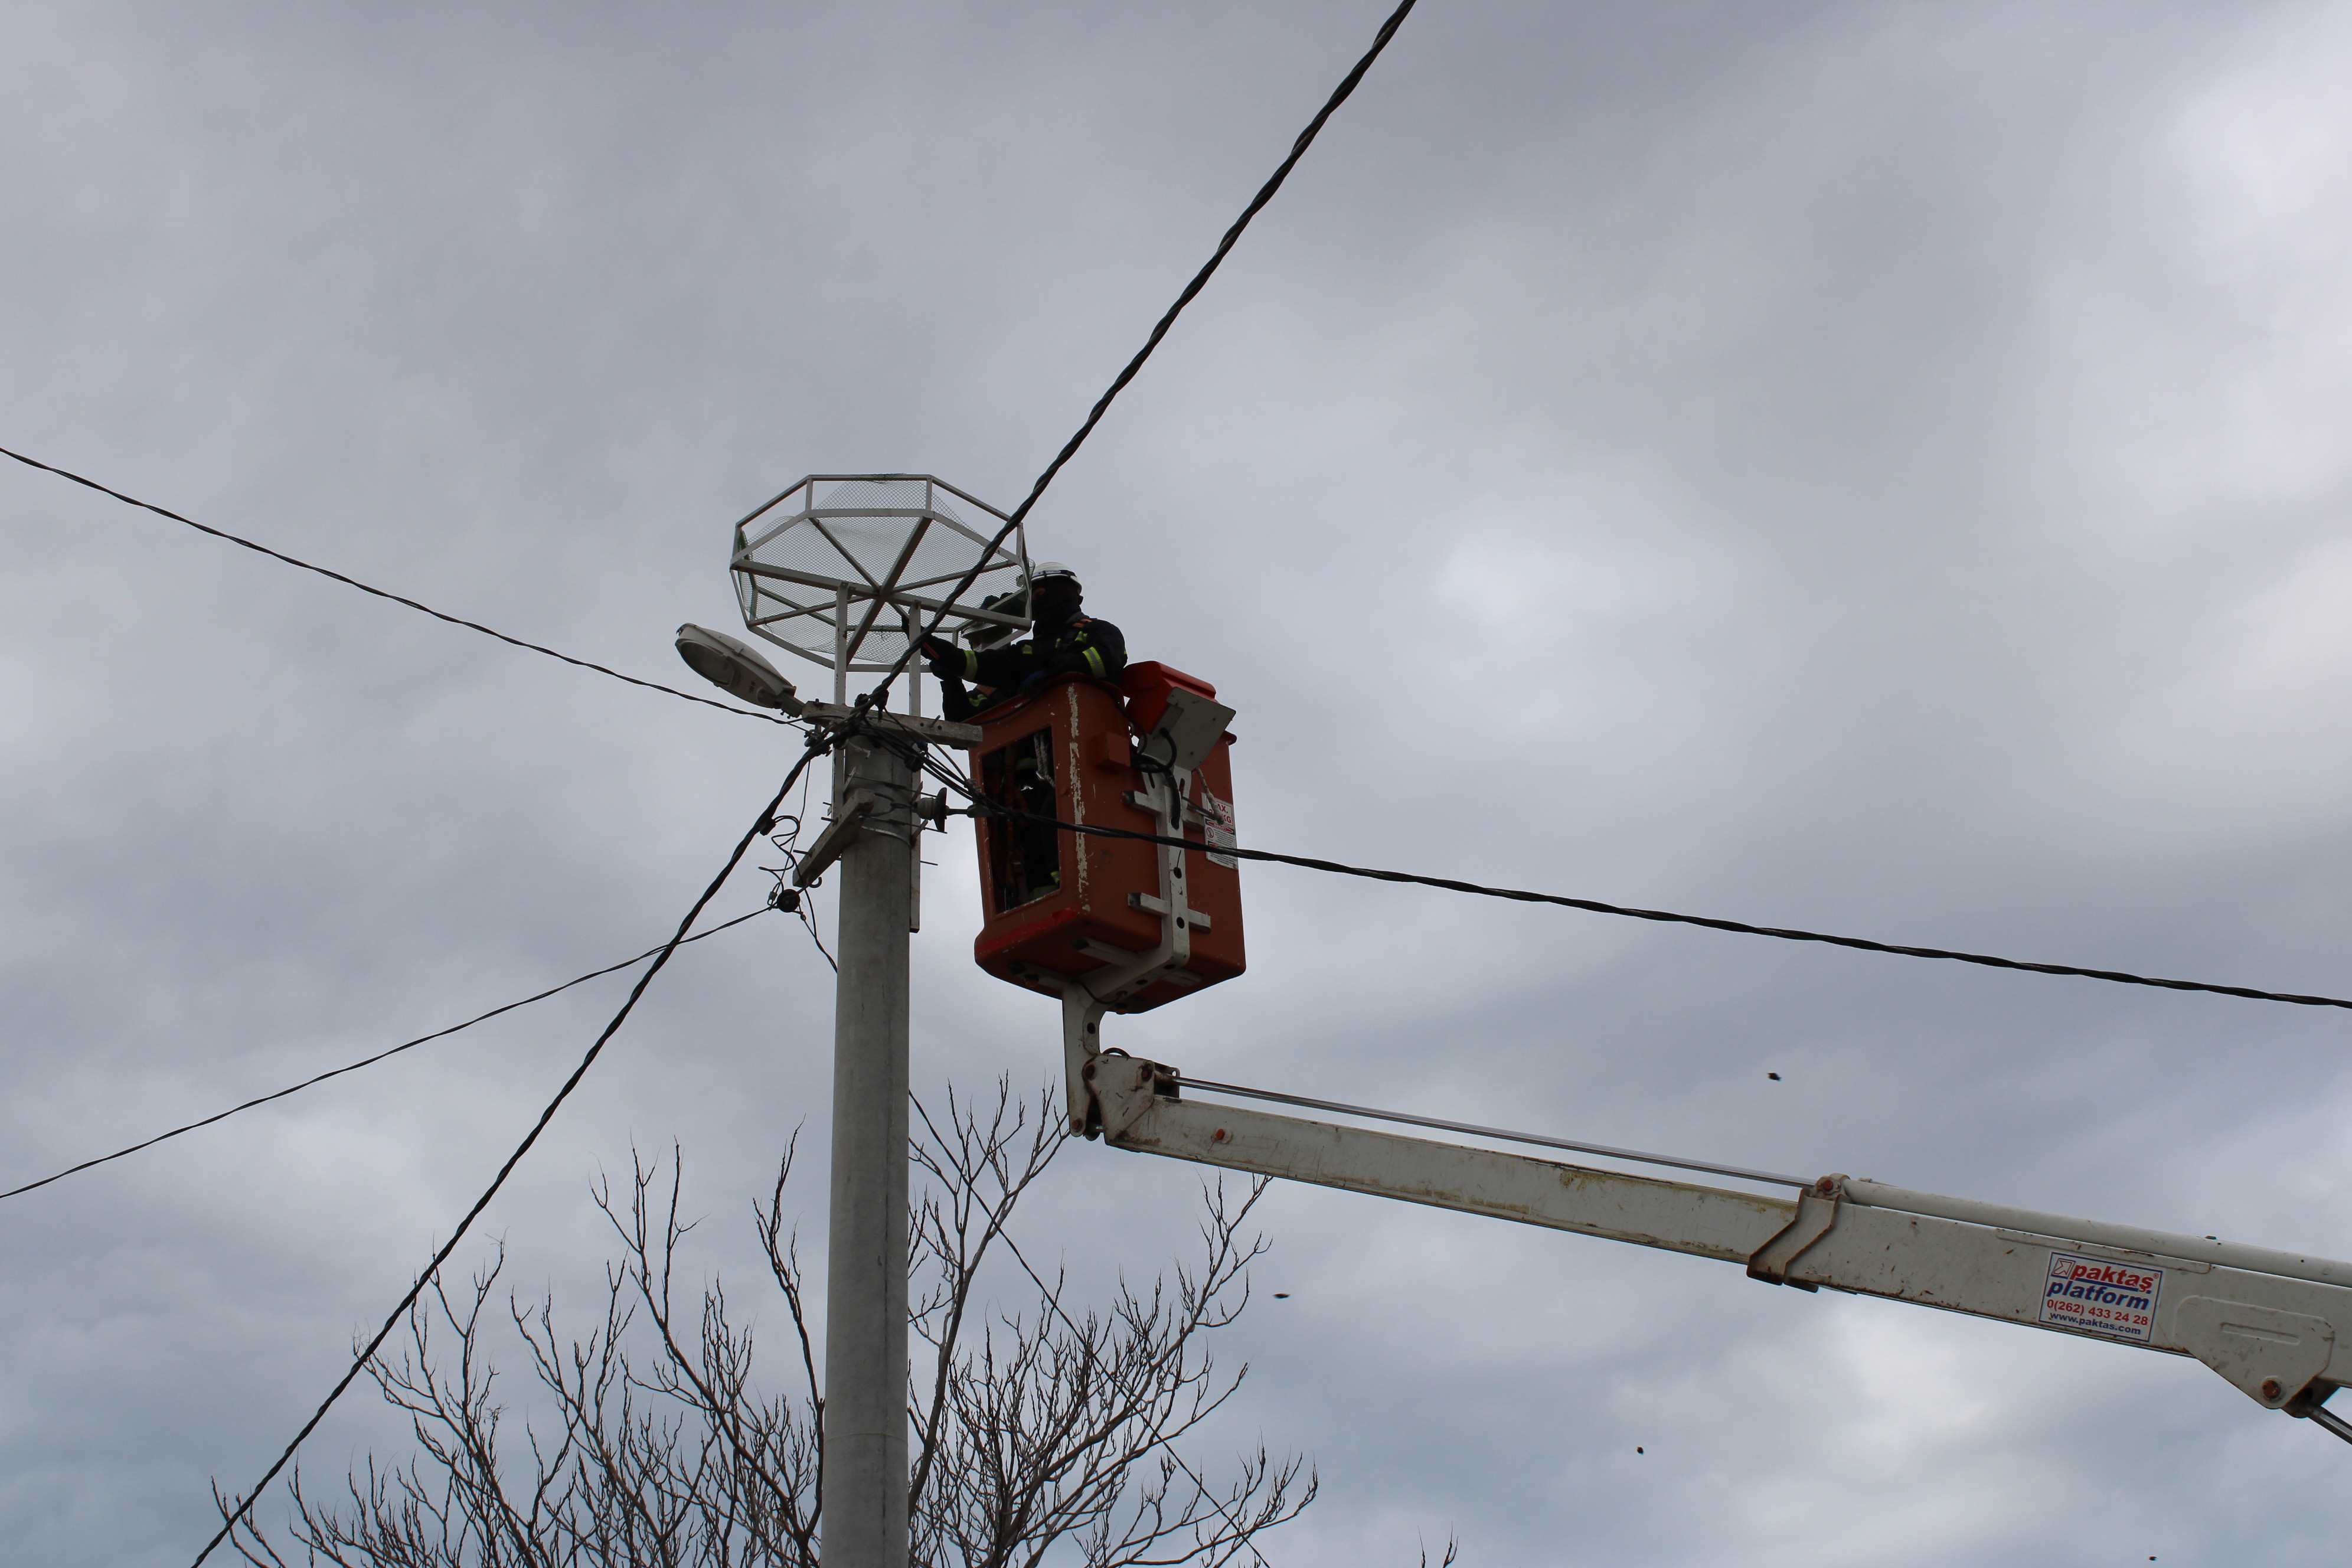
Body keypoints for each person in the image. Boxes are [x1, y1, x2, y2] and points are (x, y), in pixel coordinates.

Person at [922, 561, 1126, 721]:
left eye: (1038, 595)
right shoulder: (1027, 651)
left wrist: (1052, 673)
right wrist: (930, 646)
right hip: (1027, 768)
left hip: (1085, 743)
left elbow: (1106, 660)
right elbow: (983, 666)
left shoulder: (1098, 631)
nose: (1036, 602)